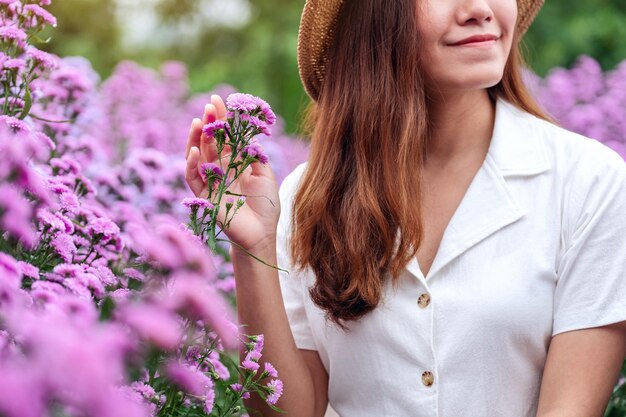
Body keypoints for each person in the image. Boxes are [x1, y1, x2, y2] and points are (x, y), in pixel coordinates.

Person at [184, 0, 626, 415]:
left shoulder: (587, 183)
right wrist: (254, 247)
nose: (479, 10)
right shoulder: (306, 198)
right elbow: (291, 408)